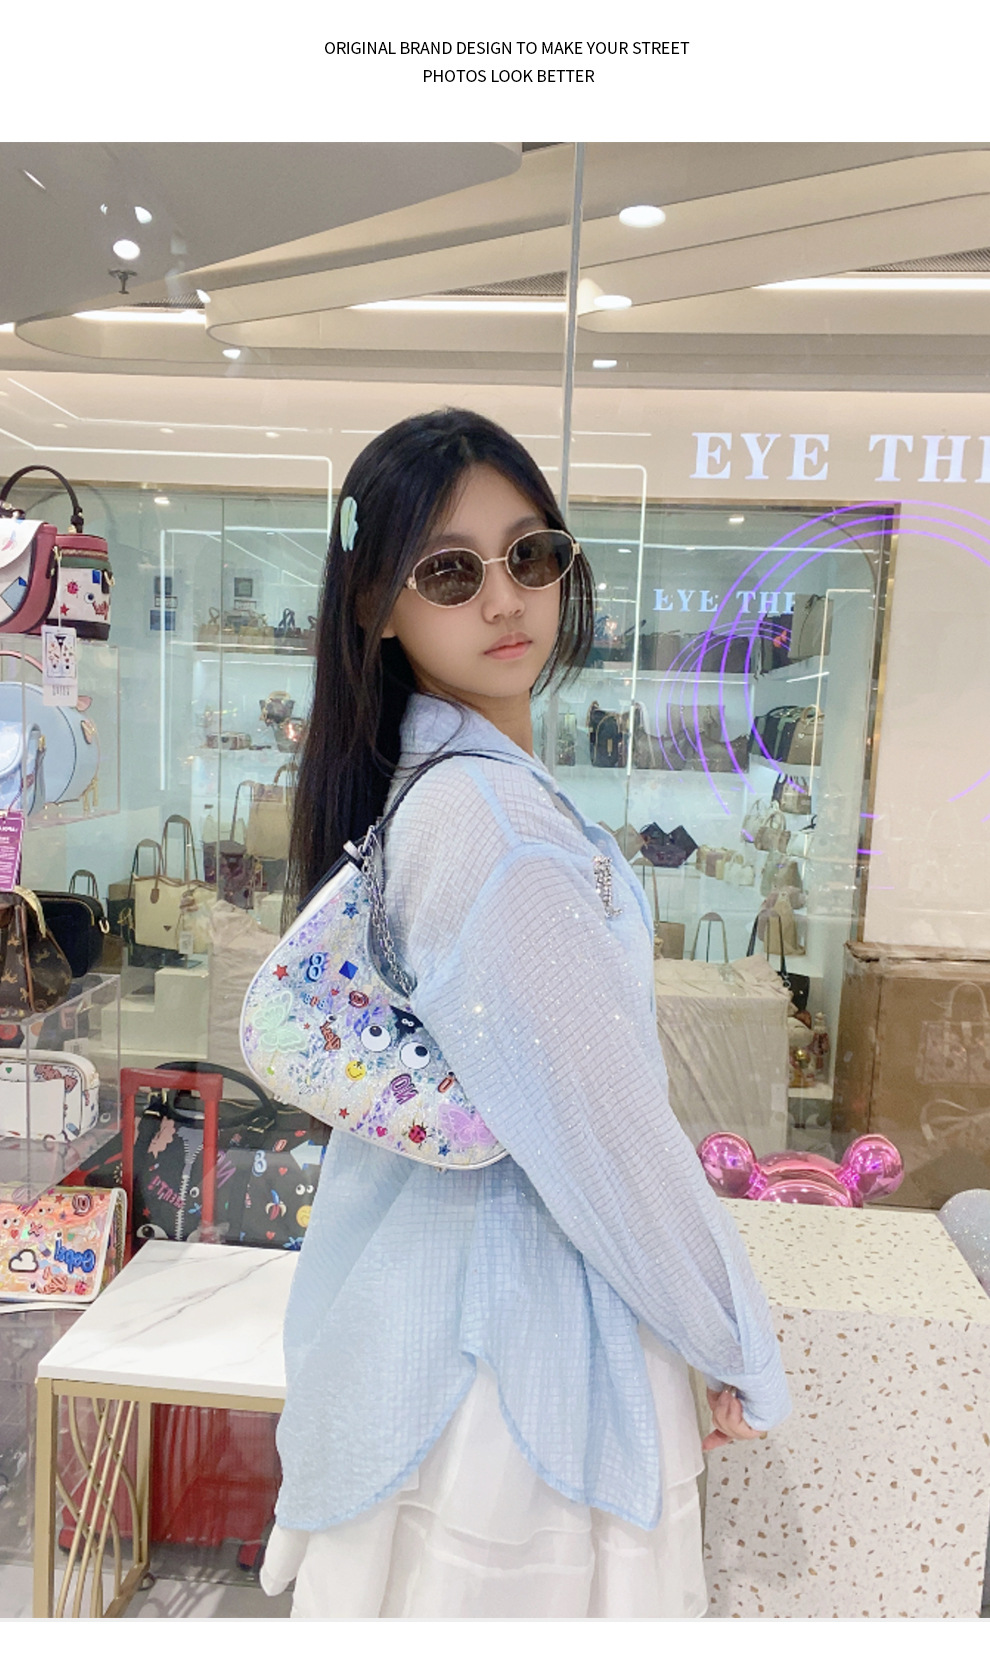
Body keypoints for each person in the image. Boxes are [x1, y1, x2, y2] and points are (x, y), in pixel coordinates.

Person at [257, 408, 791, 1619]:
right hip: (515, 1376)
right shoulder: (491, 825)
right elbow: (608, 1139)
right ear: (376, 605)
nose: (504, 598)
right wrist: (733, 1339)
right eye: (450, 571)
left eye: (530, 555)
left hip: (455, 1346)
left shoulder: (449, 795)